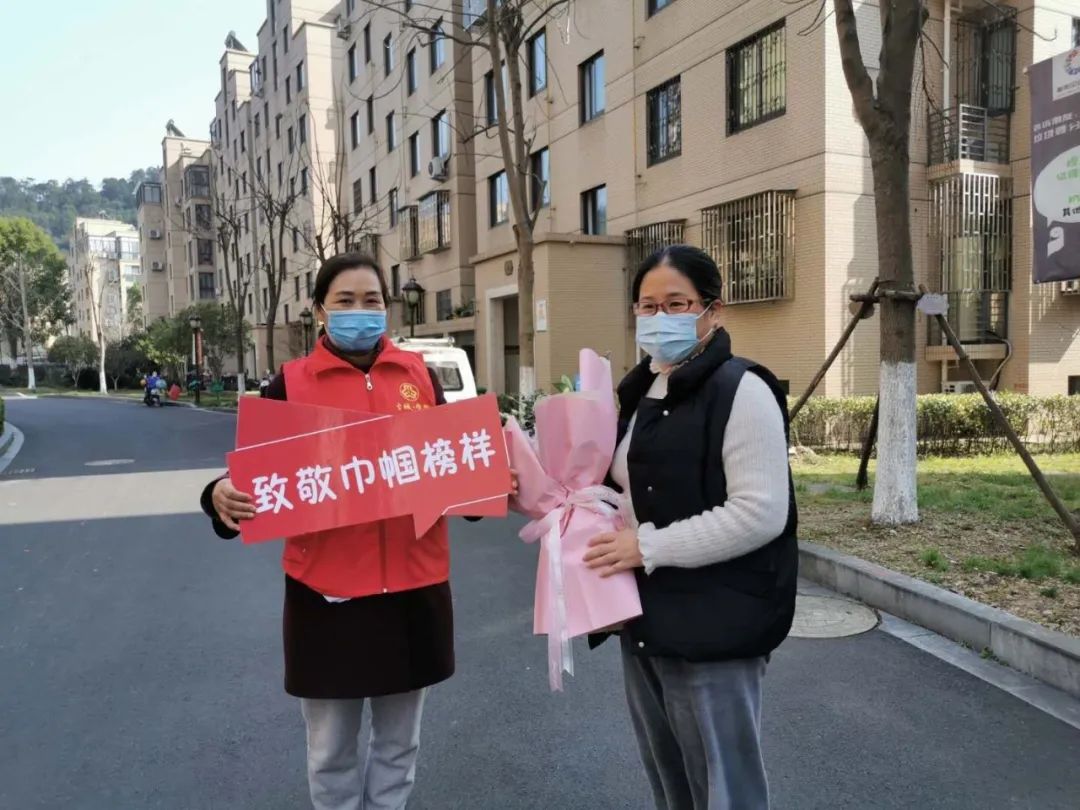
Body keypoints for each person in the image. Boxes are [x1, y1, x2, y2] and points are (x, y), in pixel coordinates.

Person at [201, 253, 465, 810]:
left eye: (372, 300)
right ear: (320, 310)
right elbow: (252, 475)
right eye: (345, 301)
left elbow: (453, 467)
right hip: (326, 597)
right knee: (330, 751)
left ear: (388, 308)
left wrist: (489, 480)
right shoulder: (290, 384)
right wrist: (219, 493)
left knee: (400, 744)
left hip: (413, 590)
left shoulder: (419, 376)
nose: (360, 311)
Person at [583, 245, 798, 810]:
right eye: (647, 306)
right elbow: (623, 489)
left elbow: (760, 512)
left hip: (717, 624)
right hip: (645, 616)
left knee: (725, 788)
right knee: (671, 780)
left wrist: (647, 546)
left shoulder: (741, 389)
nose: (660, 318)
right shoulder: (635, 393)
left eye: (676, 304)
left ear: (713, 310)